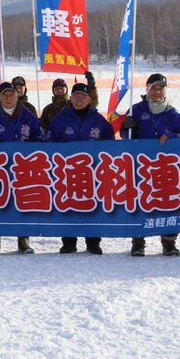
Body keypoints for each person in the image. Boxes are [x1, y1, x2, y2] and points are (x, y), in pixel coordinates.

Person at [122, 73, 180, 256]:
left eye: (161, 88)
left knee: (168, 203)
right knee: (139, 201)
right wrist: (128, 127)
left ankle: (168, 242)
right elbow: (125, 136)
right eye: (154, 88)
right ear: (147, 90)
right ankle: (138, 241)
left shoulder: (173, 114)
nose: (157, 92)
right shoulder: (136, 109)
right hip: (141, 167)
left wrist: (172, 136)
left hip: (165, 168)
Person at [0, 81, 44, 255]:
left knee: (23, 203)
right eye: (4, 95)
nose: (8, 98)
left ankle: (24, 241)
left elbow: (40, 137)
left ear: (17, 95)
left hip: (23, 168)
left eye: (11, 94)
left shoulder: (28, 116)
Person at [46, 81, 114, 254]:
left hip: (92, 173)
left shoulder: (98, 120)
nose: (79, 99)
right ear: (71, 99)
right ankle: (69, 241)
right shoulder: (61, 119)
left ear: (89, 100)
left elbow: (110, 142)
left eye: (83, 96)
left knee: (92, 206)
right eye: (76, 96)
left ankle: (93, 241)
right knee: (68, 205)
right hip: (67, 172)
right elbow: (49, 139)